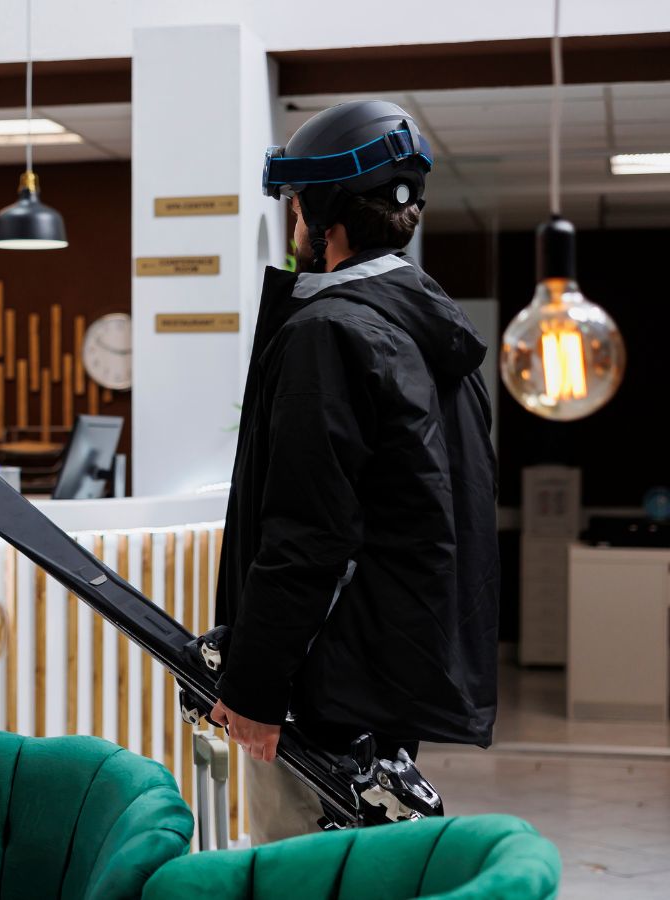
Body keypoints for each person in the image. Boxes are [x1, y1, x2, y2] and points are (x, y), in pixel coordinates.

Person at [210, 100, 499, 840]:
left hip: (321, 697)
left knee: (302, 875)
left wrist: (257, 687)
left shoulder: (329, 333)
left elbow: (309, 533)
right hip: (388, 684)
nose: (293, 221)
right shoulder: (433, 334)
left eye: (296, 203)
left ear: (323, 212)